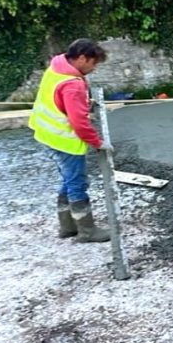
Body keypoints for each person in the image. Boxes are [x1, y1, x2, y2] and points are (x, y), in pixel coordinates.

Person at [29, 38, 113, 243]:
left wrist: (84, 102)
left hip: (45, 134)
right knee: (77, 183)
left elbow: (61, 101)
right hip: (64, 140)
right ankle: (87, 231)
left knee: (68, 179)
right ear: (82, 58)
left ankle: (67, 226)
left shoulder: (56, 68)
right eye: (93, 63)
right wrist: (98, 142)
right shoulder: (72, 84)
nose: (94, 68)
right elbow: (79, 123)